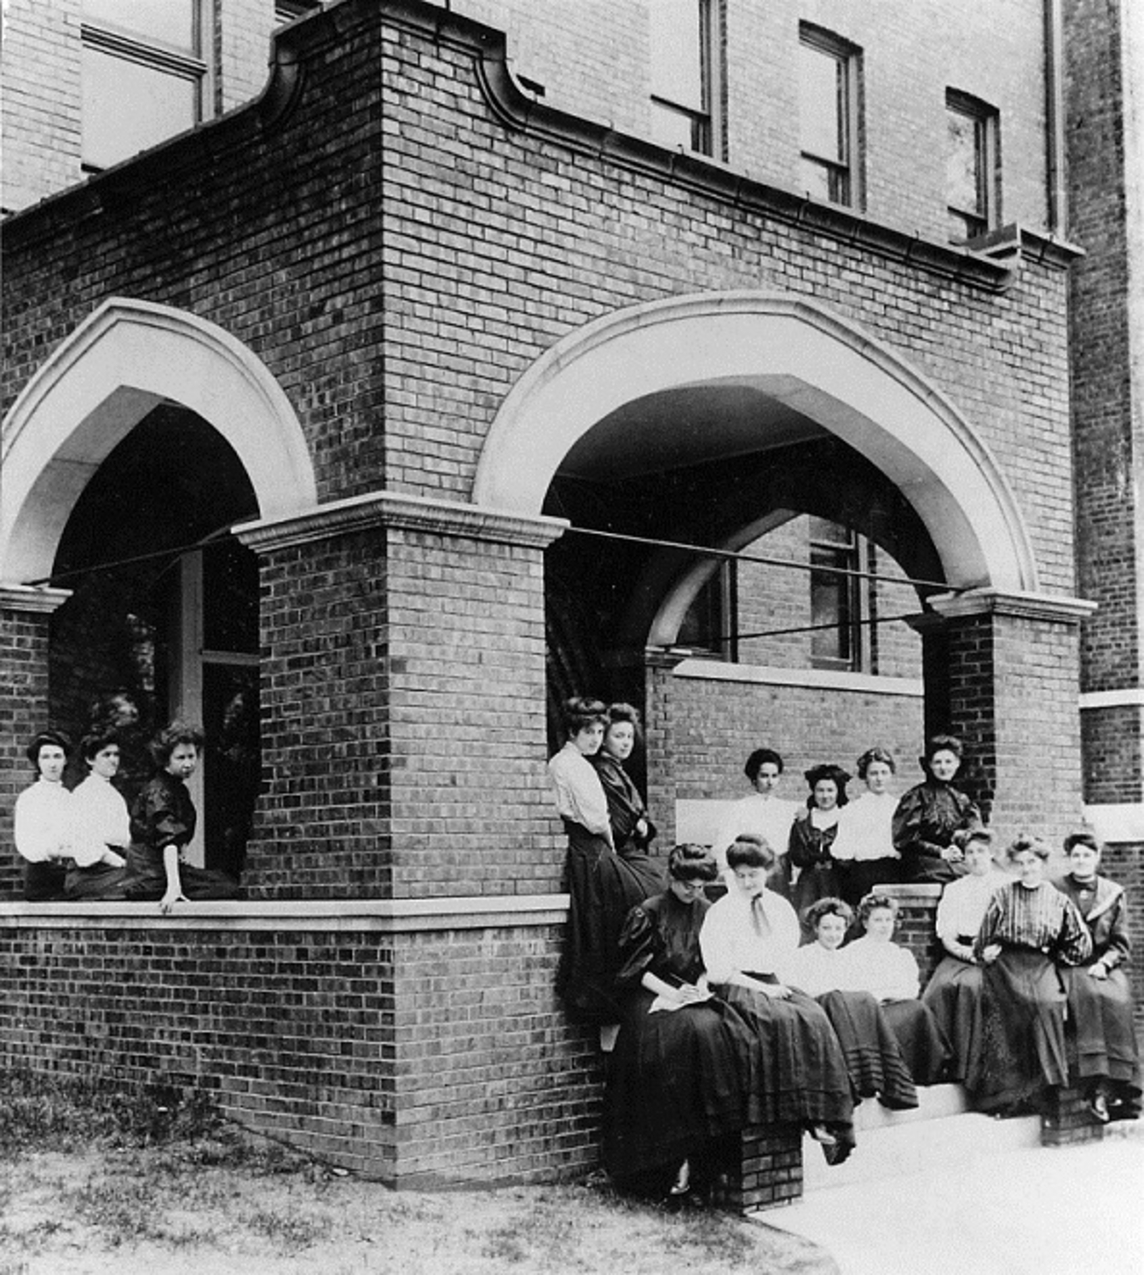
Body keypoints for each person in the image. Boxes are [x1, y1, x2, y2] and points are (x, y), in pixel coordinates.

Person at [605, 844, 753, 1201]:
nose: (693, 892)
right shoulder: (649, 912)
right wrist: (671, 996)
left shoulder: (708, 912)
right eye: (687, 884)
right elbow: (634, 969)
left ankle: (703, 1158)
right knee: (678, 1037)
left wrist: (699, 988)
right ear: (672, 878)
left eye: (701, 885)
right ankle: (663, 1159)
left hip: (691, 991)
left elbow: (710, 963)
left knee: (719, 1029)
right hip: (651, 993)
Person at [699, 834, 854, 1161]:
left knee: (812, 1016)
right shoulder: (721, 912)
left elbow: (785, 957)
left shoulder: (779, 906)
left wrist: (787, 989)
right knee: (775, 1020)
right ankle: (793, 1112)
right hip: (736, 985)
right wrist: (767, 990)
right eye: (739, 875)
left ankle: (820, 1115)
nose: (746, 881)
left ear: (766, 872)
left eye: (752, 874)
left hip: (774, 981)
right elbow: (719, 970)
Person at [548, 696, 660, 1043]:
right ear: (572, 732)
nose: (595, 738)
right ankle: (617, 998)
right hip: (591, 848)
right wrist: (612, 849)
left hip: (589, 848)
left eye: (599, 731)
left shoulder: (573, 762)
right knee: (636, 901)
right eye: (588, 731)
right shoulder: (573, 765)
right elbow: (598, 819)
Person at [971, 835, 1092, 1115]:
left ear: (1043, 863)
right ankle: (1010, 1098)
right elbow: (982, 939)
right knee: (1010, 1014)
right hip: (1006, 965)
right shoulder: (1002, 895)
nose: (1027, 868)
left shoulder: (1057, 899)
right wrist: (986, 951)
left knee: (1048, 1006)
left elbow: (1080, 941)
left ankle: (1048, 1088)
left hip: (1040, 963)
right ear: (1015, 866)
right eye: (1021, 863)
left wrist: (1059, 957)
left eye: (1032, 862)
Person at [783, 897, 917, 1110]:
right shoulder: (803, 956)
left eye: (839, 928)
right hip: (818, 1012)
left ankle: (879, 1080)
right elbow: (796, 991)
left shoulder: (847, 959)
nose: (833, 934)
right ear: (816, 928)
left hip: (844, 1014)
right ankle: (853, 1082)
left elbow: (857, 990)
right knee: (838, 999)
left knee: (864, 1001)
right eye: (827, 928)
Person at [1052, 832, 1142, 1122]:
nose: (1081, 860)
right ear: (1069, 858)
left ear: (1097, 858)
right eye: (1076, 855)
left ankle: (1120, 1086)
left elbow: (1120, 940)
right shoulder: (1055, 889)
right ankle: (1096, 1084)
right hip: (1068, 963)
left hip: (1101, 964)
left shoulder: (1112, 892)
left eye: (1087, 855)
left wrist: (1105, 963)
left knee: (1118, 997)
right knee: (1089, 995)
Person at [921, 828, 1010, 1085]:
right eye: (969, 852)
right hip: (961, 953)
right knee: (937, 991)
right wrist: (965, 953)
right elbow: (946, 933)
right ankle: (940, 1064)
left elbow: (1013, 925)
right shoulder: (955, 889)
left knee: (972, 988)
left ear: (991, 854)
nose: (974, 857)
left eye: (980, 851)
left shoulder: (1005, 885)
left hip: (995, 953)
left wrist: (994, 949)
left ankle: (969, 1070)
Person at [122, 722, 241, 912]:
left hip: (158, 873)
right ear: (165, 760)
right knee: (227, 887)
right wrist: (173, 888)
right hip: (149, 878)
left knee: (225, 882)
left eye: (191, 756)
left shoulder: (177, 788)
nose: (188, 763)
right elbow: (168, 840)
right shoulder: (159, 792)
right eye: (180, 758)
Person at [840, 892, 951, 1085]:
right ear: (866, 923)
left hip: (898, 1005)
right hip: (870, 1011)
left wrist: (893, 995)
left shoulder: (900, 954)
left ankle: (927, 1071)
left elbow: (911, 987)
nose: (884, 925)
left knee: (919, 1010)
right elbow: (854, 989)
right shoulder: (852, 953)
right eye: (878, 920)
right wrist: (884, 995)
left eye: (888, 920)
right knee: (914, 1011)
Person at [590, 702, 664, 887]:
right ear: (604, 739)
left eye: (630, 737)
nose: (626, 742)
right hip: (619, 850)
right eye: (619, 736)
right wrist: (638, 824)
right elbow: (623, 817)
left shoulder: (616, 768)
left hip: (629, 848)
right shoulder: (604, 769)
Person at [892, 735, 981, 884]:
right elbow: (904, 839)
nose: (943, 767)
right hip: (922, 862)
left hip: (955, 859)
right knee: (964, 875)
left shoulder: (962, 800)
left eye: (948, 762)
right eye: (937, 762)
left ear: (957, 764)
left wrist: (961, 847)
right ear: (929, 765)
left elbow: (976, 834)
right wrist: (940, 852)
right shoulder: (916, 796)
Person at [710, 748, 799, 890]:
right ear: (754, 778)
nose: (770, 782)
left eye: (774, 776)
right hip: (749, 870)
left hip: (778, 874)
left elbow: (793, 846)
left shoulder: (786, 810)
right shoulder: (739, 808)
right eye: (764, 776)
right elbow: (725, 843)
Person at [831, 747, 902, 908]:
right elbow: (843, 850)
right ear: (865, 776)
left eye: (884, 773)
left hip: (893, 871)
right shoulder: (853, 809)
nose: (879, 778)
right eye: (873, 773)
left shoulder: (899, 808)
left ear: (891, 775)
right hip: (862, 873)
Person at [64, 731, 131, 900]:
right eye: (106, 755)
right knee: (145, 884)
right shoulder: (85, 793)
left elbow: (126, 838)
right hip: (90, 873)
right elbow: (87, 842)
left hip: (113, 868)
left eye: (116, 754)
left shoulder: (113, 793)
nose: (113, 760)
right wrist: (121, 863)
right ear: (90, 760)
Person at [787, 764, 850, 934]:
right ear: (813, 792)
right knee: (808, 922)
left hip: (838, 881)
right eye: (820, 790)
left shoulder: (847, 818)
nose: (825, 796)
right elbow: (796, 855)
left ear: (838, 792)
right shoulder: (803, 821)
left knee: (839, 922)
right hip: (810, 882)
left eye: (830, 790)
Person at [14, 730, 76, 901]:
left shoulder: (68, 798)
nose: (52, 764)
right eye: (45, 757)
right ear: (38, 762)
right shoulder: (29, 798)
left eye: (57, 756)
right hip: (42, 880)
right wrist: (63, 850)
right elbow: (29, 844)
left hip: (69, 876)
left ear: (65, 760)